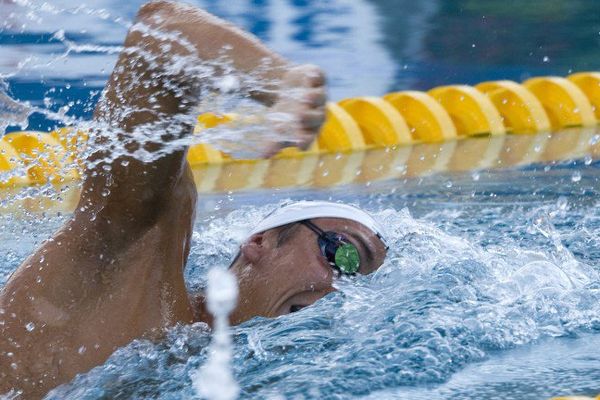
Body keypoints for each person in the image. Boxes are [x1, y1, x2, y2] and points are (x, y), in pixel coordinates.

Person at [0, 1, 388, 398]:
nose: (343, 290)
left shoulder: (227, 371)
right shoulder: (137, 258)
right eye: (344, 255)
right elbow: (157, 33)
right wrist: (279, 81)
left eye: (359, 281)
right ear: (261, 243)